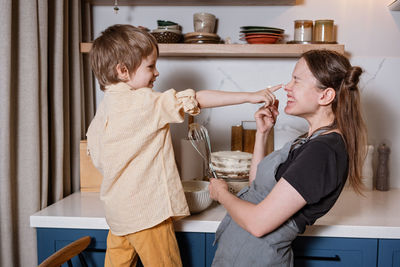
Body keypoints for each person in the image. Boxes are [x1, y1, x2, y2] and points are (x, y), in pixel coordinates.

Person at [86, 24, 278, 267]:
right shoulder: (144, 102)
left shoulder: (104, 109)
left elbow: (96, 155)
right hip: (148, 216)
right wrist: (250, 96)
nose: (156, 73)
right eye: (150, 66)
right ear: (123, 70)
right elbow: (197, 99)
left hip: (118, 216)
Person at [209, 49, 368, 267]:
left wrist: (222, 194)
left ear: (326, 95)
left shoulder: (323, 151)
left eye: (296, 80)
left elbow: (258, 224)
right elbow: (259, 187)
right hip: (242, 256)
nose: (287, 87)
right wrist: (262, 134)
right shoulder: (310, 140)